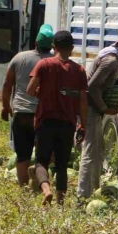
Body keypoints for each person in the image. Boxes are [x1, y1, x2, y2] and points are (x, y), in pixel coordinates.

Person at [26, 30, 88, 206]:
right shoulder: (79, 70)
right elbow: (83, 101)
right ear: (72, 48)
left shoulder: (44, 65)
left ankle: (46, 190)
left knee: (41, 161)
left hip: (45, 121)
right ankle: (60, 203)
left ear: (54, 47)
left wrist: (42, 93)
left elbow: (30, 90)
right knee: (61, 165)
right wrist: (83, 124)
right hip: (67, 124)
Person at [1, 24, 54, 186]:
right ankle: (42, 185)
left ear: (36, 43)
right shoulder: (54, 62)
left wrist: (6, 106)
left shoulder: (19, 58)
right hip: (43, 115)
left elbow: (7, 84)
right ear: (51, 45)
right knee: (43, 155)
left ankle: (23, 189)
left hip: (22, 113)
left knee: (22, 155)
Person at [77, 34, 118, 199]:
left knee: (98, 151)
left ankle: (94, 190)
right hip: (90, 108)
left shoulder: (113, 57)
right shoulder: (111, 60)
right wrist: (105, 108)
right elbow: (91, 87)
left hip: (93, 109)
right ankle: (82, 196)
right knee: (90, 151)